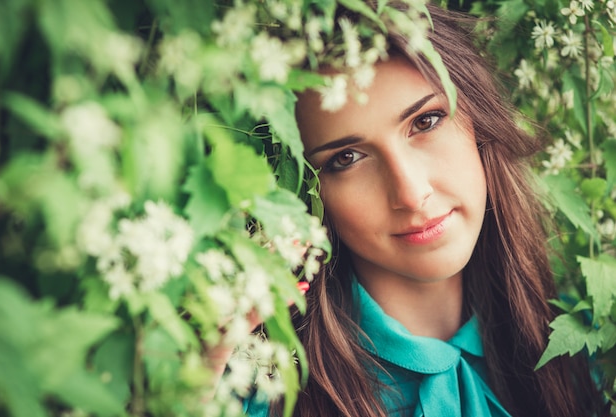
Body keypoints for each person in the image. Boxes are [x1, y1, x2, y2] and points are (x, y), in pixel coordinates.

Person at [220, 3, 606, 416]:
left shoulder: (588, 340)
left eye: (426, 122)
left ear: (478, 115)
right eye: (346, 158)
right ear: (304, 195)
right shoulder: (256, 394)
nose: (411, 192)